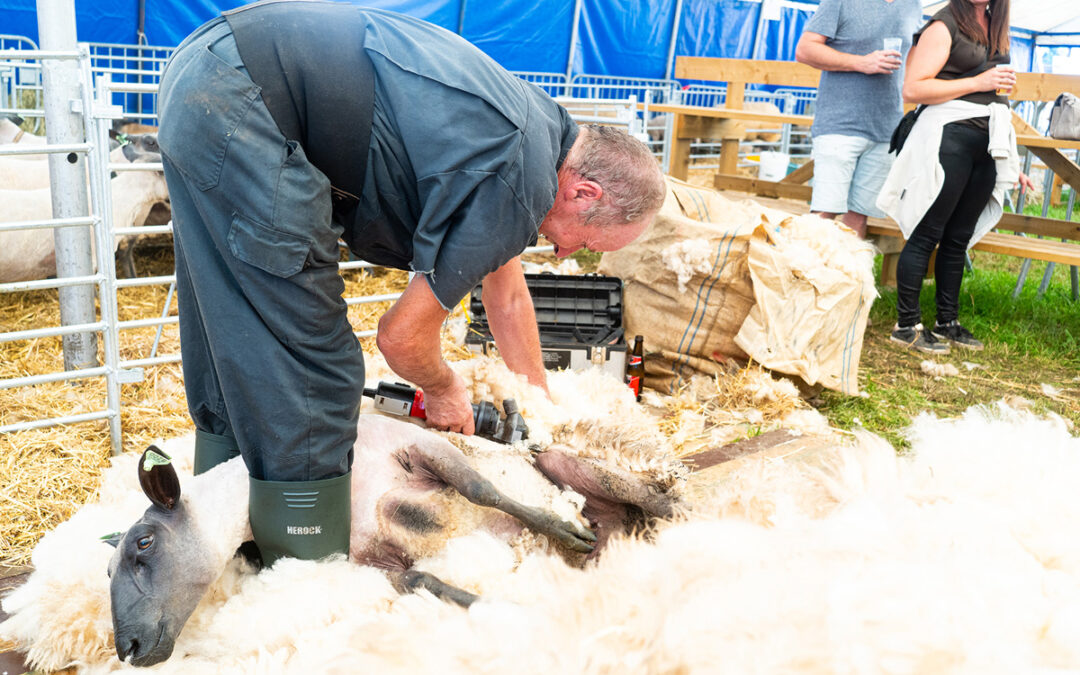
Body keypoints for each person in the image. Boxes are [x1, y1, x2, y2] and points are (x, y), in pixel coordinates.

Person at [156, 0, 666, 565]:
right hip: (249, 100)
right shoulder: (518, 185)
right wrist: (446, 389)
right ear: (584, 193)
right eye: (587, 241)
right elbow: (400, 338)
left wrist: (539, 408)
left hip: (205, 72)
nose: (567, 252)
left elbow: (509, 292)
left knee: (230, 316)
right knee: (310, 363)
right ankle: (304, 571)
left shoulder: (536, 136)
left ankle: (219, 520)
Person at [876, 0, 1034, 354]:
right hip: (948, 137)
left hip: (987, 142)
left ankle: (947, 321)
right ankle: (906, 325)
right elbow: (913, 89)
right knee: (927, 232)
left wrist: (1015, 162)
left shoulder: (995, 23)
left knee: (958, 237)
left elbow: (997, 98)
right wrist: (979, 80)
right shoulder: (944, 24)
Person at [794, 0, 923, 238]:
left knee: (858, 217)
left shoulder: (912, 5)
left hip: (885, 129)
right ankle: (805, 272)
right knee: (824, 214)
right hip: (839, 123)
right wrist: (860, 62)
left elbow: (914, 59)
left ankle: (845, 275)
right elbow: (804, 50)